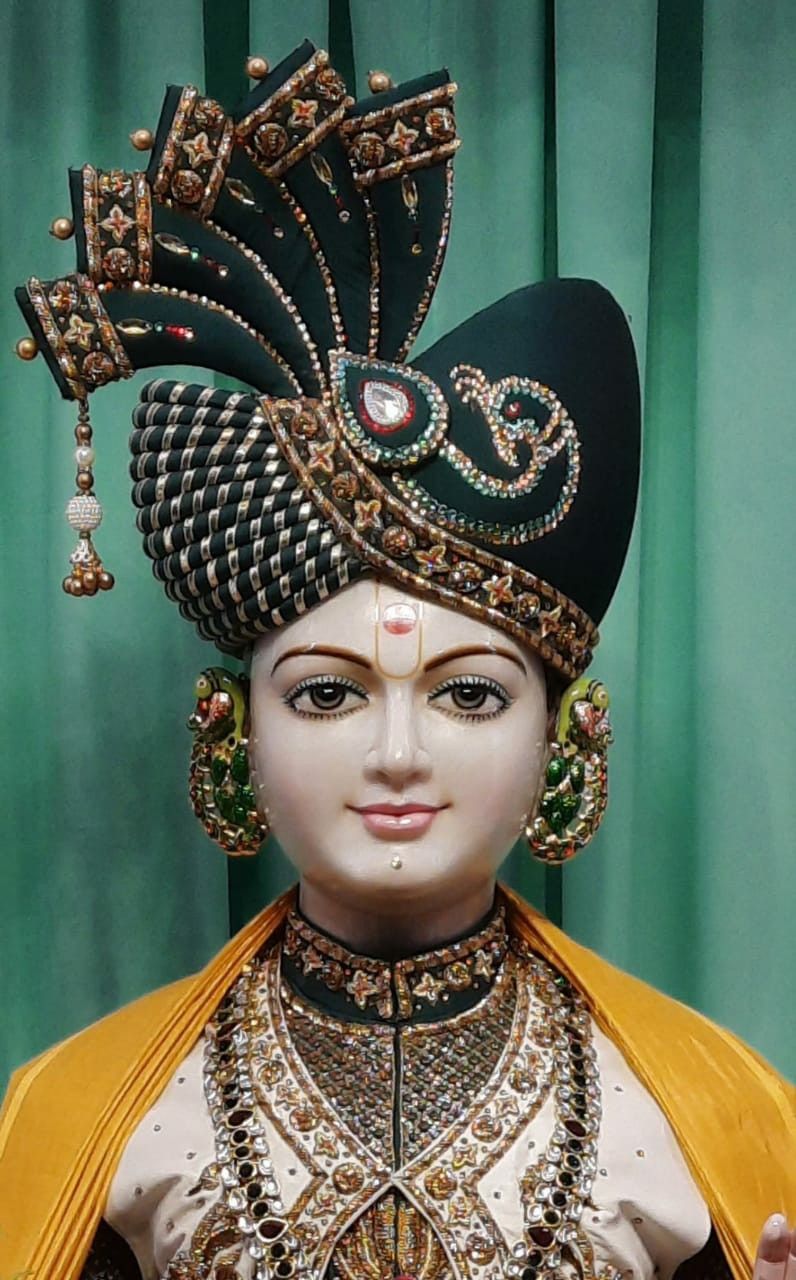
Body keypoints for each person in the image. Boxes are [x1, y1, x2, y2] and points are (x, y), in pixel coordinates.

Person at [3, 39, 794, 1280]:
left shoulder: (714, 1120)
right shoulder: (80, 1121)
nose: (395, 752)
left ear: (565, 739)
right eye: (325, 692)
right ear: (229, 734)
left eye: (469, 693)